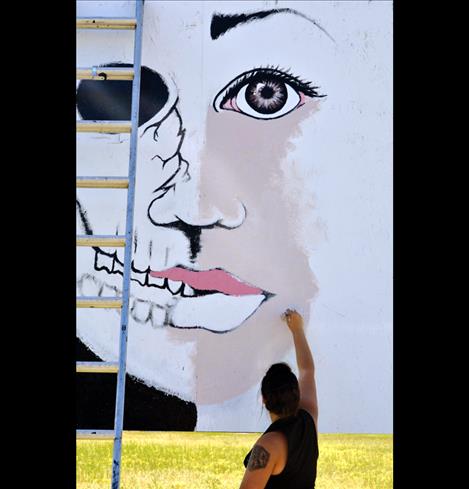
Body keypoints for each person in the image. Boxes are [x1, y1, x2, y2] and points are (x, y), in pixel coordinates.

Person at [240, 308, 319, 489]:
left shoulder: (268, 445)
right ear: (297, 394)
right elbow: (307, 371)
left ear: (264, 400)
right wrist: (297, 329)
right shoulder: (309, 419)